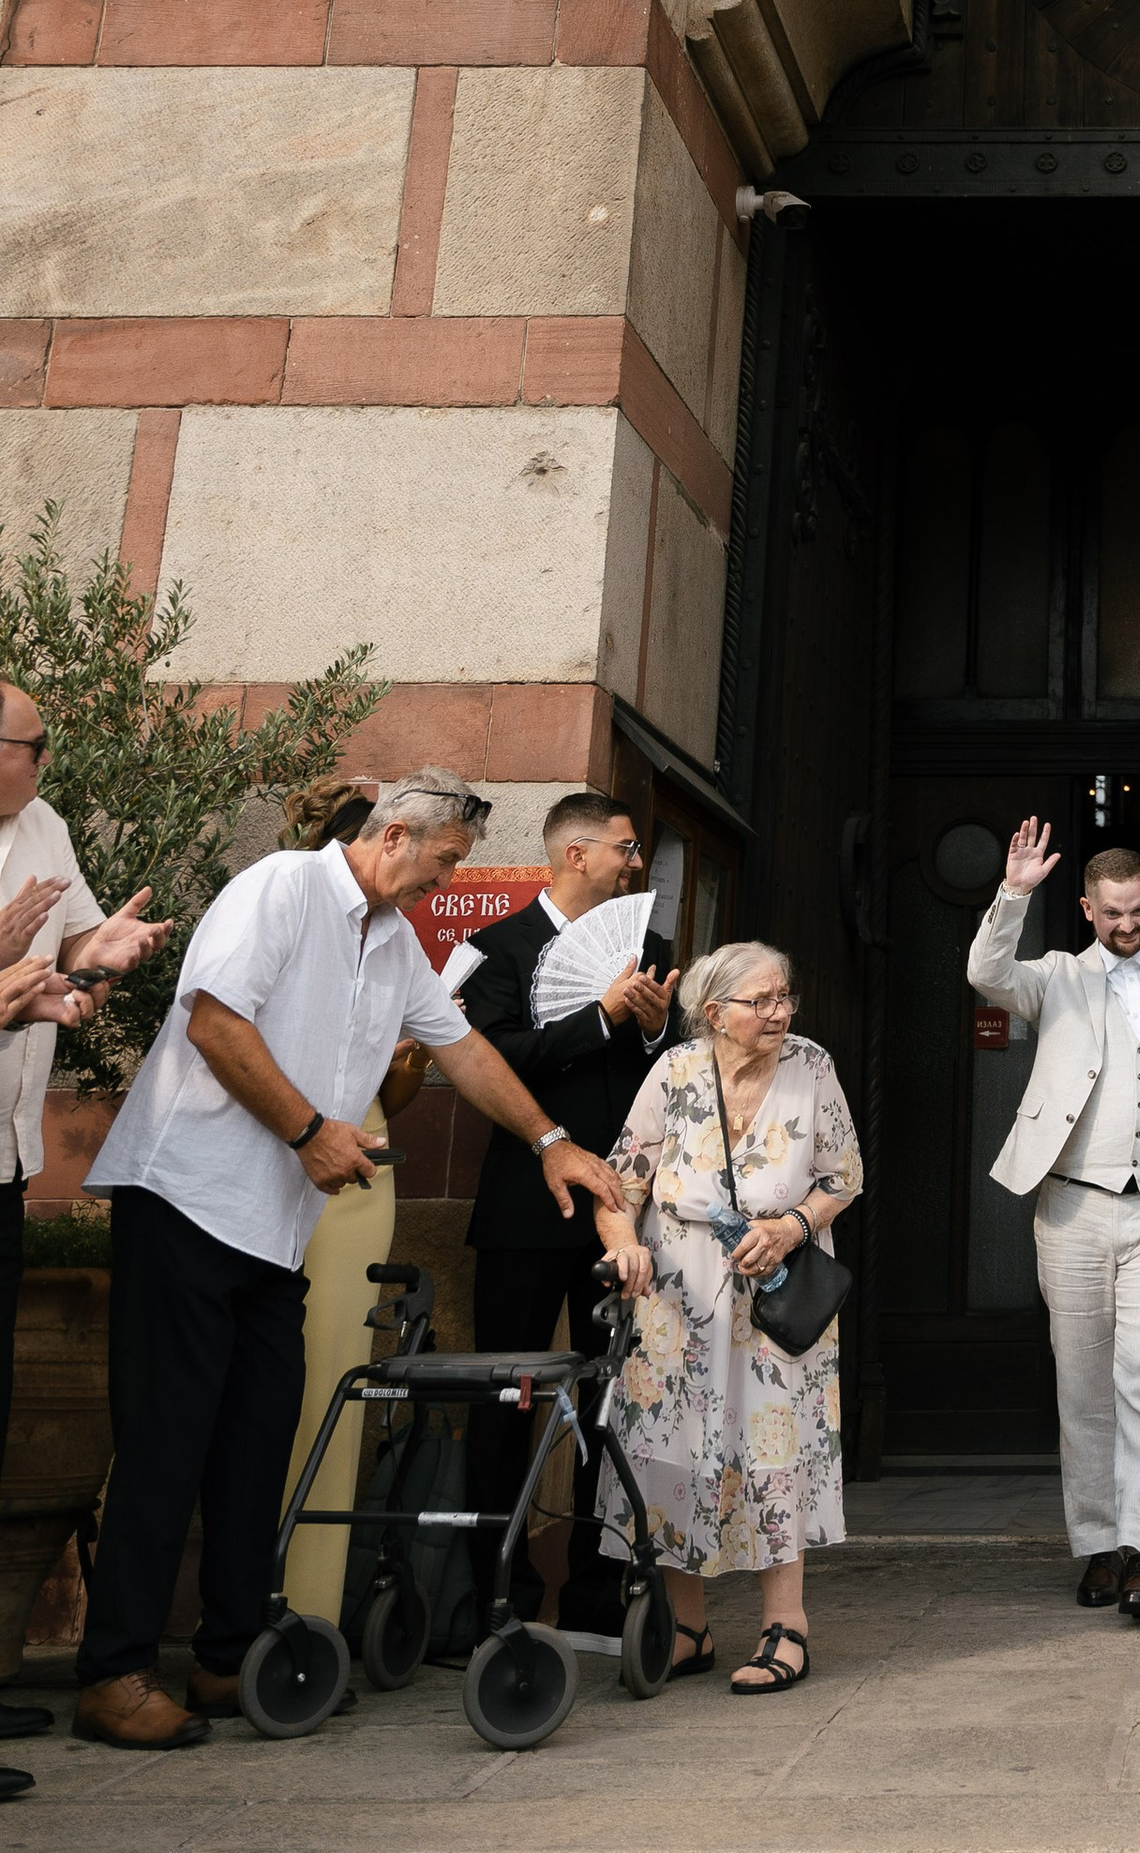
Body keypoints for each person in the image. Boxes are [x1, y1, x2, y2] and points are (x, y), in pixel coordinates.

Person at [71, 774, 625, 1751]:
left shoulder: (394, 942)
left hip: (272, 1231)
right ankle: (113, 1674)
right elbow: (214, 1022)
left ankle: (229, 1652)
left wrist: (551, 1142)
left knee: (258, 1443)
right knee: (167, 1442)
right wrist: (307, 1131)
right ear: (396, 834)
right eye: (443, 863)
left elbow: (460, 1051)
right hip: (186, 1202)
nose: (443, 882)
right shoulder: (281, 887)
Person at [968, 824, 1140, 1626]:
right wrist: (1014, 891)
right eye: (1112, 913)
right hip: (1074, 1201)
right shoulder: (1054, 977)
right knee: (1083, 1385)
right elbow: (984, 972)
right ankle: (1096, 1547)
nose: (1127, 926)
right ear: (1088, 908)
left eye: (1139, 911)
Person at [594, 941, 857, 1693]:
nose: (779, 1012)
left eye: (785, 997)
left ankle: (786, 1624)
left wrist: (792, 1227)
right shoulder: (673, 1072)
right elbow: (624, 1182)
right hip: (677, 1297)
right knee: (675, 1446)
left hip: (774, 1295)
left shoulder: (811, 1067)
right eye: (762, 1001)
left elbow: (845, 1175)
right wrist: (623, 1248)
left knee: (776, 1442)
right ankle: (687, 1626)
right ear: (714, 1014)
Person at [0, 678, 171, 1760]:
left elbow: (61, 966)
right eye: (36, 744)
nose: (47, 760)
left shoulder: (43, 825)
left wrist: (84, 969)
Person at [458, 789, 674, 1635]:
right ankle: (488, 1603)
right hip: (524, 1204)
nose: (635, 862)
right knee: (502, 1402)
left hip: (617, 1209)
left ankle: (595, 1593)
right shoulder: (497, 949)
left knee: (609, 1403)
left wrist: (654, 1031)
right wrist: (598, 1018)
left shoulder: (647, 945)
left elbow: (670, 1071)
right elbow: (489, 1063)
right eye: (624, 847)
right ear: (576, 854)